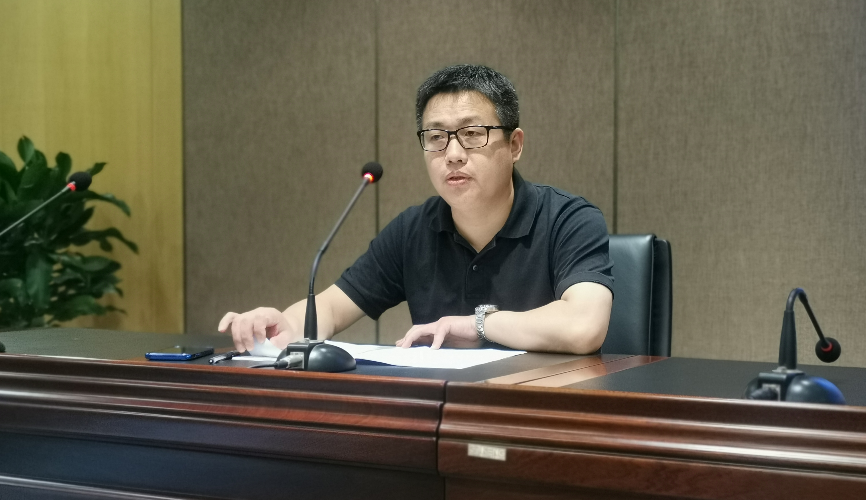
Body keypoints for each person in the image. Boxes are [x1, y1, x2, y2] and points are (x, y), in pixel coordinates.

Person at [219, 64, 613, 355]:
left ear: (514, 145)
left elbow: (584, 326)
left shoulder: (568, 220)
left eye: (472, 134)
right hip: (441, 416)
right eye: (436, 136)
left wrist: (478, 325)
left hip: (543, 414)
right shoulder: (413, 230)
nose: (452, 154)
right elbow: (332, 308)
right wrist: (283, 325)